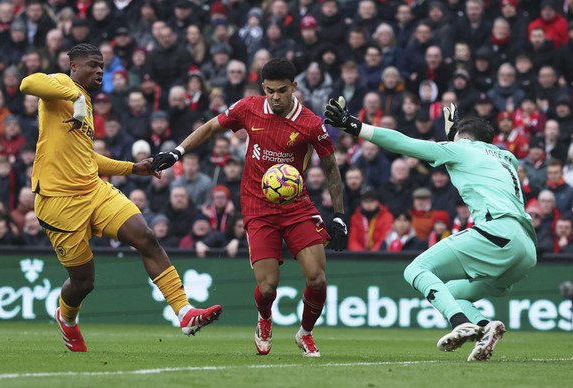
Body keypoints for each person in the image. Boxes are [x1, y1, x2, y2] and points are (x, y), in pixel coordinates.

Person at [19, 43, 221, 353]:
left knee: (145, 236)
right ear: (73, 65)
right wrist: (71, 94)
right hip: (58, 202)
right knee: (84, 283)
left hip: (92, 190)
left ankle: (184, 312)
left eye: (102, 65)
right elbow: (27, 83)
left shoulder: (84, 102)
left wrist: (132, 168)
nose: (99, 70)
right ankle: (67, 317)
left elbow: (87, 158)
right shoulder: (61, 85)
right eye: (92, 64)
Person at [151, 58, 347, 358]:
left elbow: (331, 168)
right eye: (270, 90)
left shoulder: (309, 123)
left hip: (297, 206)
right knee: (268, 287)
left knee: (318, 278)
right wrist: (177, 151)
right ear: (263, 88)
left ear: (294, 87)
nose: (276, 97)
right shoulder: (249, 107)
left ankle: (305, 333)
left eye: (282, 90)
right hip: (257, 207)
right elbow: (211, 126)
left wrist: (339, 216)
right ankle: (265, 319)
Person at [324, 97, 537, 362]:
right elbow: (478, 155)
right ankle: (485, 327)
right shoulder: (507, 158)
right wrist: (456, 136)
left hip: (498, 232)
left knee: (415, 270)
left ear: (463, 138)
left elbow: (406, 143)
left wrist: (355, 126)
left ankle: (459, 323)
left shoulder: (462, 149)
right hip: (526, 249)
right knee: (451, 293)